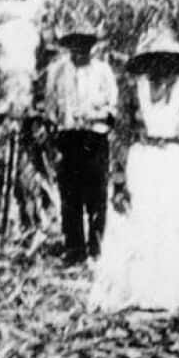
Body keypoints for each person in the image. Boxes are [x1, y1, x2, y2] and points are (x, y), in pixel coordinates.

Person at [89, 28, 179, 312]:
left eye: (168, 59)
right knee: (140, 223)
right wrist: (117, 179)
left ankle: (170, 295)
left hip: (176, 163)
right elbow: (121, 134)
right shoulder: (133, 89)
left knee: (171, 226)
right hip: (142, 161)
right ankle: (139, 292)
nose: (162, 65)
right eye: (156, 59)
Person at [44, 23, 118, 265]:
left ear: (91, 46)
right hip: (68, 138)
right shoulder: (57, 71)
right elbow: (50, 106)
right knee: (70, 195)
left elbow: (113, 109)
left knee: (96, 194)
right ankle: (74, 249)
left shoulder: (103, 71)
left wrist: (94, 115)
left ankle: (96, 248)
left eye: (85, 44)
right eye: (75, 44)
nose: (80, 50)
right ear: (68, 46)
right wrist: (57, 127)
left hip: (94, 137)